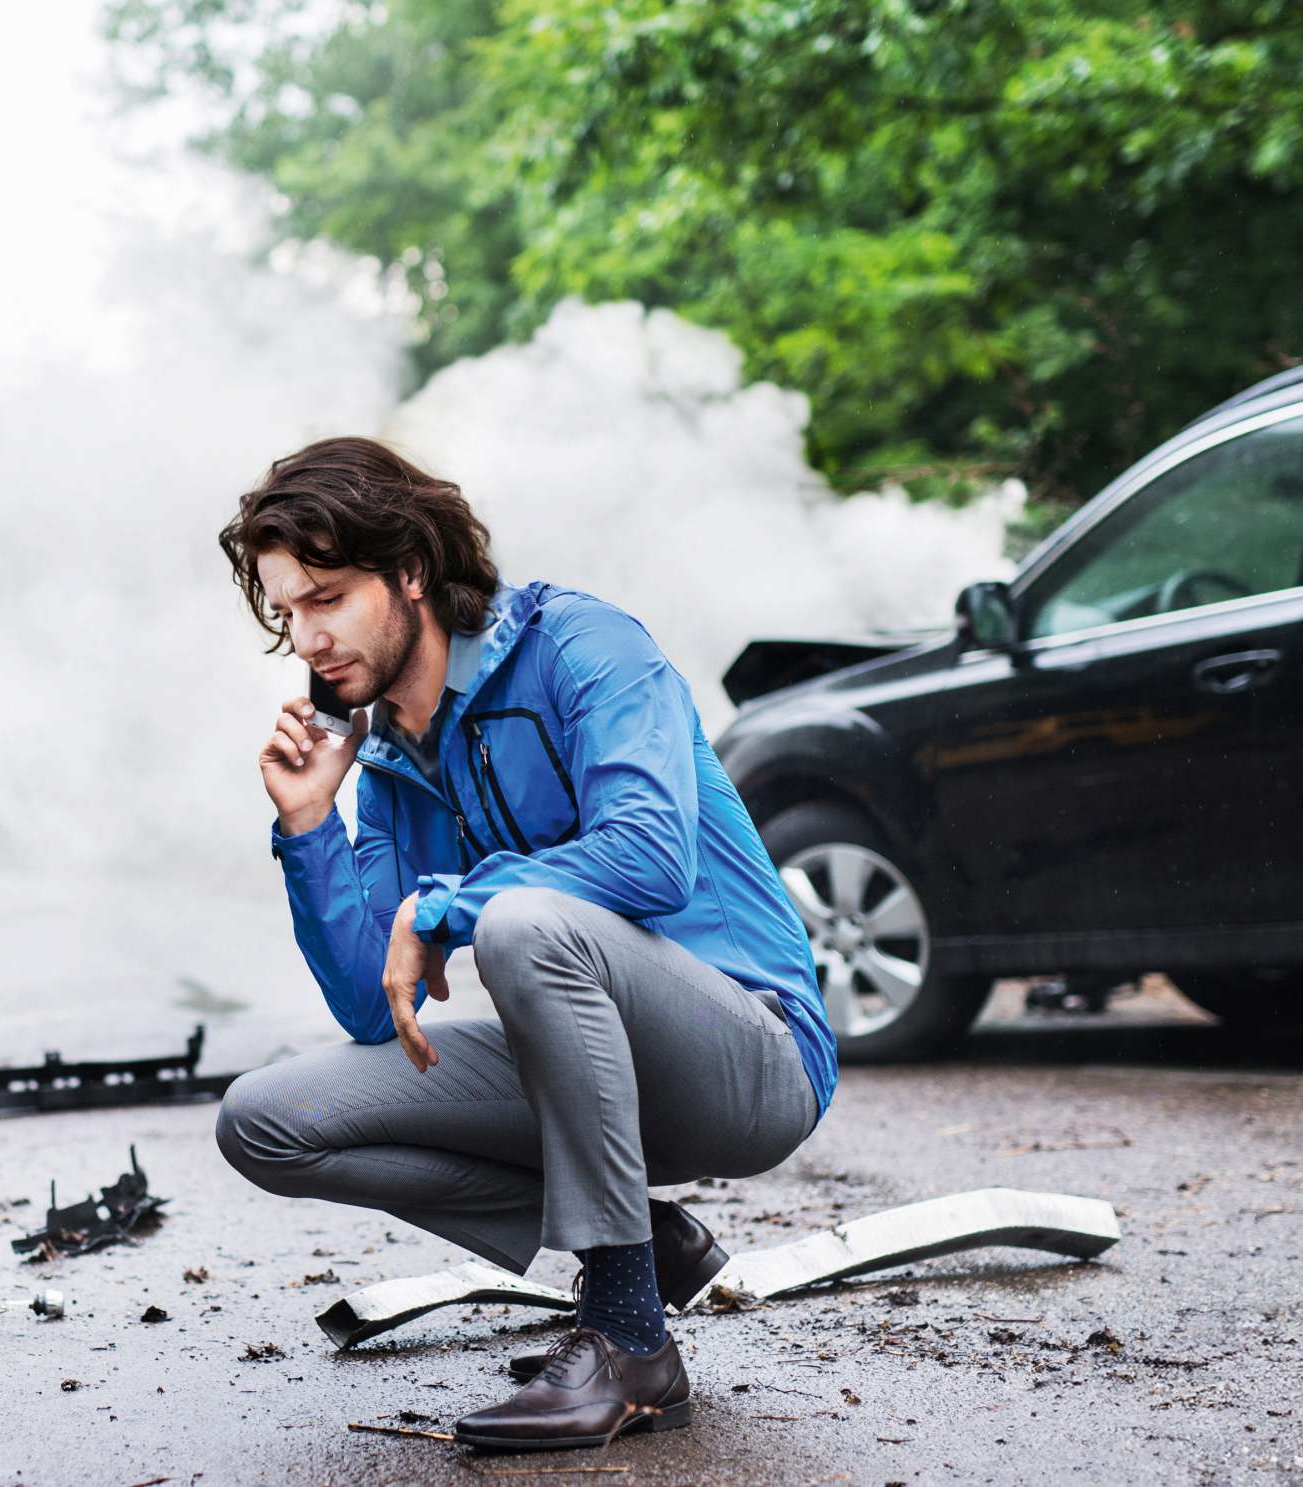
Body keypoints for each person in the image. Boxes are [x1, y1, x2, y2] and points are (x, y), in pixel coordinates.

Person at [209, 435, 839, 1453]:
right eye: (289, 612)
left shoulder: (583, 646)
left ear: (409, 571)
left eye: (326, 596)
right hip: (591, 1084)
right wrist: (308, 824)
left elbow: (649, 858)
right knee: (269, 1119)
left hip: (751, 1056)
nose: (308, 637)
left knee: (523, 919)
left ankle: (632, 1340)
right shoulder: (395, 764)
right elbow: (378, 1010)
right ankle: (637, 1238)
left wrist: (445, 906)